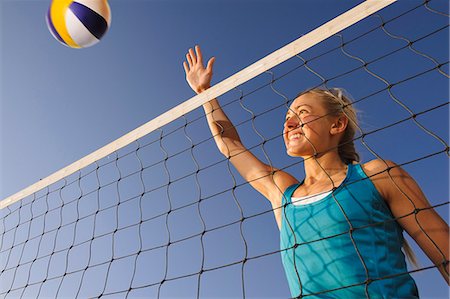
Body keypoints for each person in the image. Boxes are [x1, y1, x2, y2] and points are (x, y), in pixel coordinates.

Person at [183, 45, 449, 298]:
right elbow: (230, 144)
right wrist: (205, 93)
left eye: (302, 113)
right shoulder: (283, 193)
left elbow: (444, 250)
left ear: (337, 124)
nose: (289, 122)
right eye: (287, 116)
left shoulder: (378, 175)